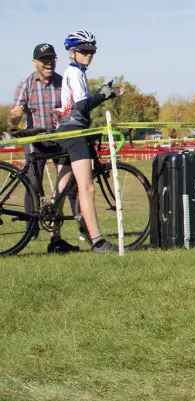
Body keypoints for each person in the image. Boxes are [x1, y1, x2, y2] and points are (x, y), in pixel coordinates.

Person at [55, 30, 124, 253]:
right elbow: (82, 106)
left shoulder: (76, 72)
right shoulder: (74, 73)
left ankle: (54, 238)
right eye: (84, 50)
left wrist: (105, 93)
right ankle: (97, 241)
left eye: (92, 50)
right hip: (74, 133)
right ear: (72, 52)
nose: (89, 54)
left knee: (61, 188)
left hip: (65, 130)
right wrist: (105, 94)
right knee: (86, 187)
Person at [9, 43, 79, 253]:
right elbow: (14, 117)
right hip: (35, 142)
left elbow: (73, 108)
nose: (49, 63)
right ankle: (31, 229)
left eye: (52, 58)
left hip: (59, 140)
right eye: (44, 59)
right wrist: (14, 117)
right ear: (35, 63)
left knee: (67, 186)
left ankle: (63, 232)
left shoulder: (62, 82)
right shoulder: (26, 84)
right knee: (32, 185)